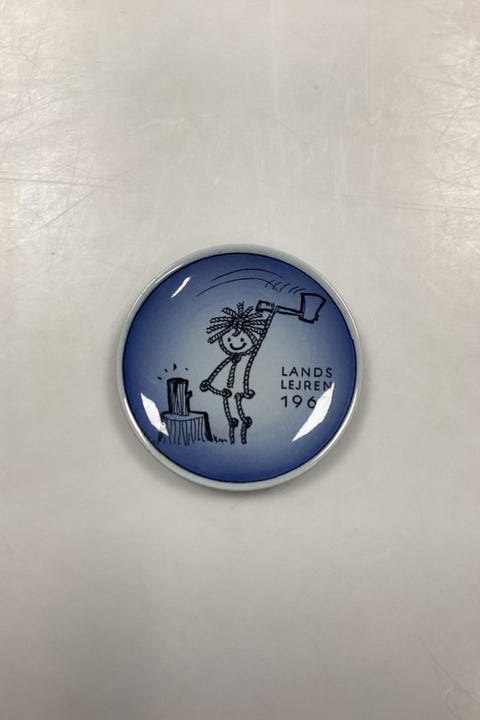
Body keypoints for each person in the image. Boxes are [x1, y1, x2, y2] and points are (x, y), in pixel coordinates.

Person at [199, 302, 273, 444]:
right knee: (230, 410)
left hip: (238, 391)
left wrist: (270, 317)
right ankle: (234, 428)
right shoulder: (230, 360)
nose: (235, 343)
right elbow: (218, 370)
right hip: (227, 390)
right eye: (229, 339)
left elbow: (259, 342)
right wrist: (209, 383)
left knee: (236, 405)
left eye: (242, 339)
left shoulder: (248, 358)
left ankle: (242, 424)